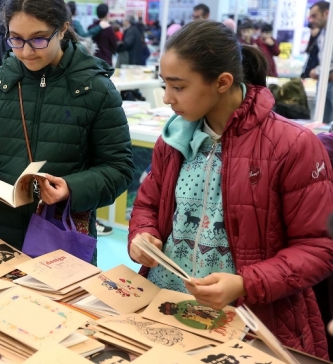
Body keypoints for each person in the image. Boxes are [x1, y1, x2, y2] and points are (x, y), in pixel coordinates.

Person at [128, 20, 333, 359]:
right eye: (165, 84)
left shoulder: (291, 145)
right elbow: (148, 204)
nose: (166, 99)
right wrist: (144, 234)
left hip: (248, 319)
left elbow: (319, 248)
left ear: (222, 82)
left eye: (178, 87)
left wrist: (245, 283)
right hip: (166, 304)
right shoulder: (175, 138)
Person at [0, 0, 134, 263]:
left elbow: (119, 168)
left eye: (38, 39)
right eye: (16, 39)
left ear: (62, 29)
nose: (26, 51)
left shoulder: (94, 89)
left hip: (61, 238)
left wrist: (71, 188)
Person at [308, 1, 333, 123]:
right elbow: (322, 59)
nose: (311, 20)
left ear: (326, 13)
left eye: (314, 16)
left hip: (330, 80)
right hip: (323, 81)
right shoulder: (322, 33)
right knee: (322, 122)